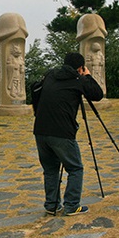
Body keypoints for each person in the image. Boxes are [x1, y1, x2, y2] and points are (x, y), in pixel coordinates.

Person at [33, 52, 104, 216]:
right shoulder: (78, 80)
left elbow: (36, 88)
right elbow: (97, 95)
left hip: (41, 129)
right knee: (75, 168)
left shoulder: (50, 75)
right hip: (62, 131)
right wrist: (87, 76)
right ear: (80, 68)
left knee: (50, 169)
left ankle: (51, 205)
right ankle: (72, 205)